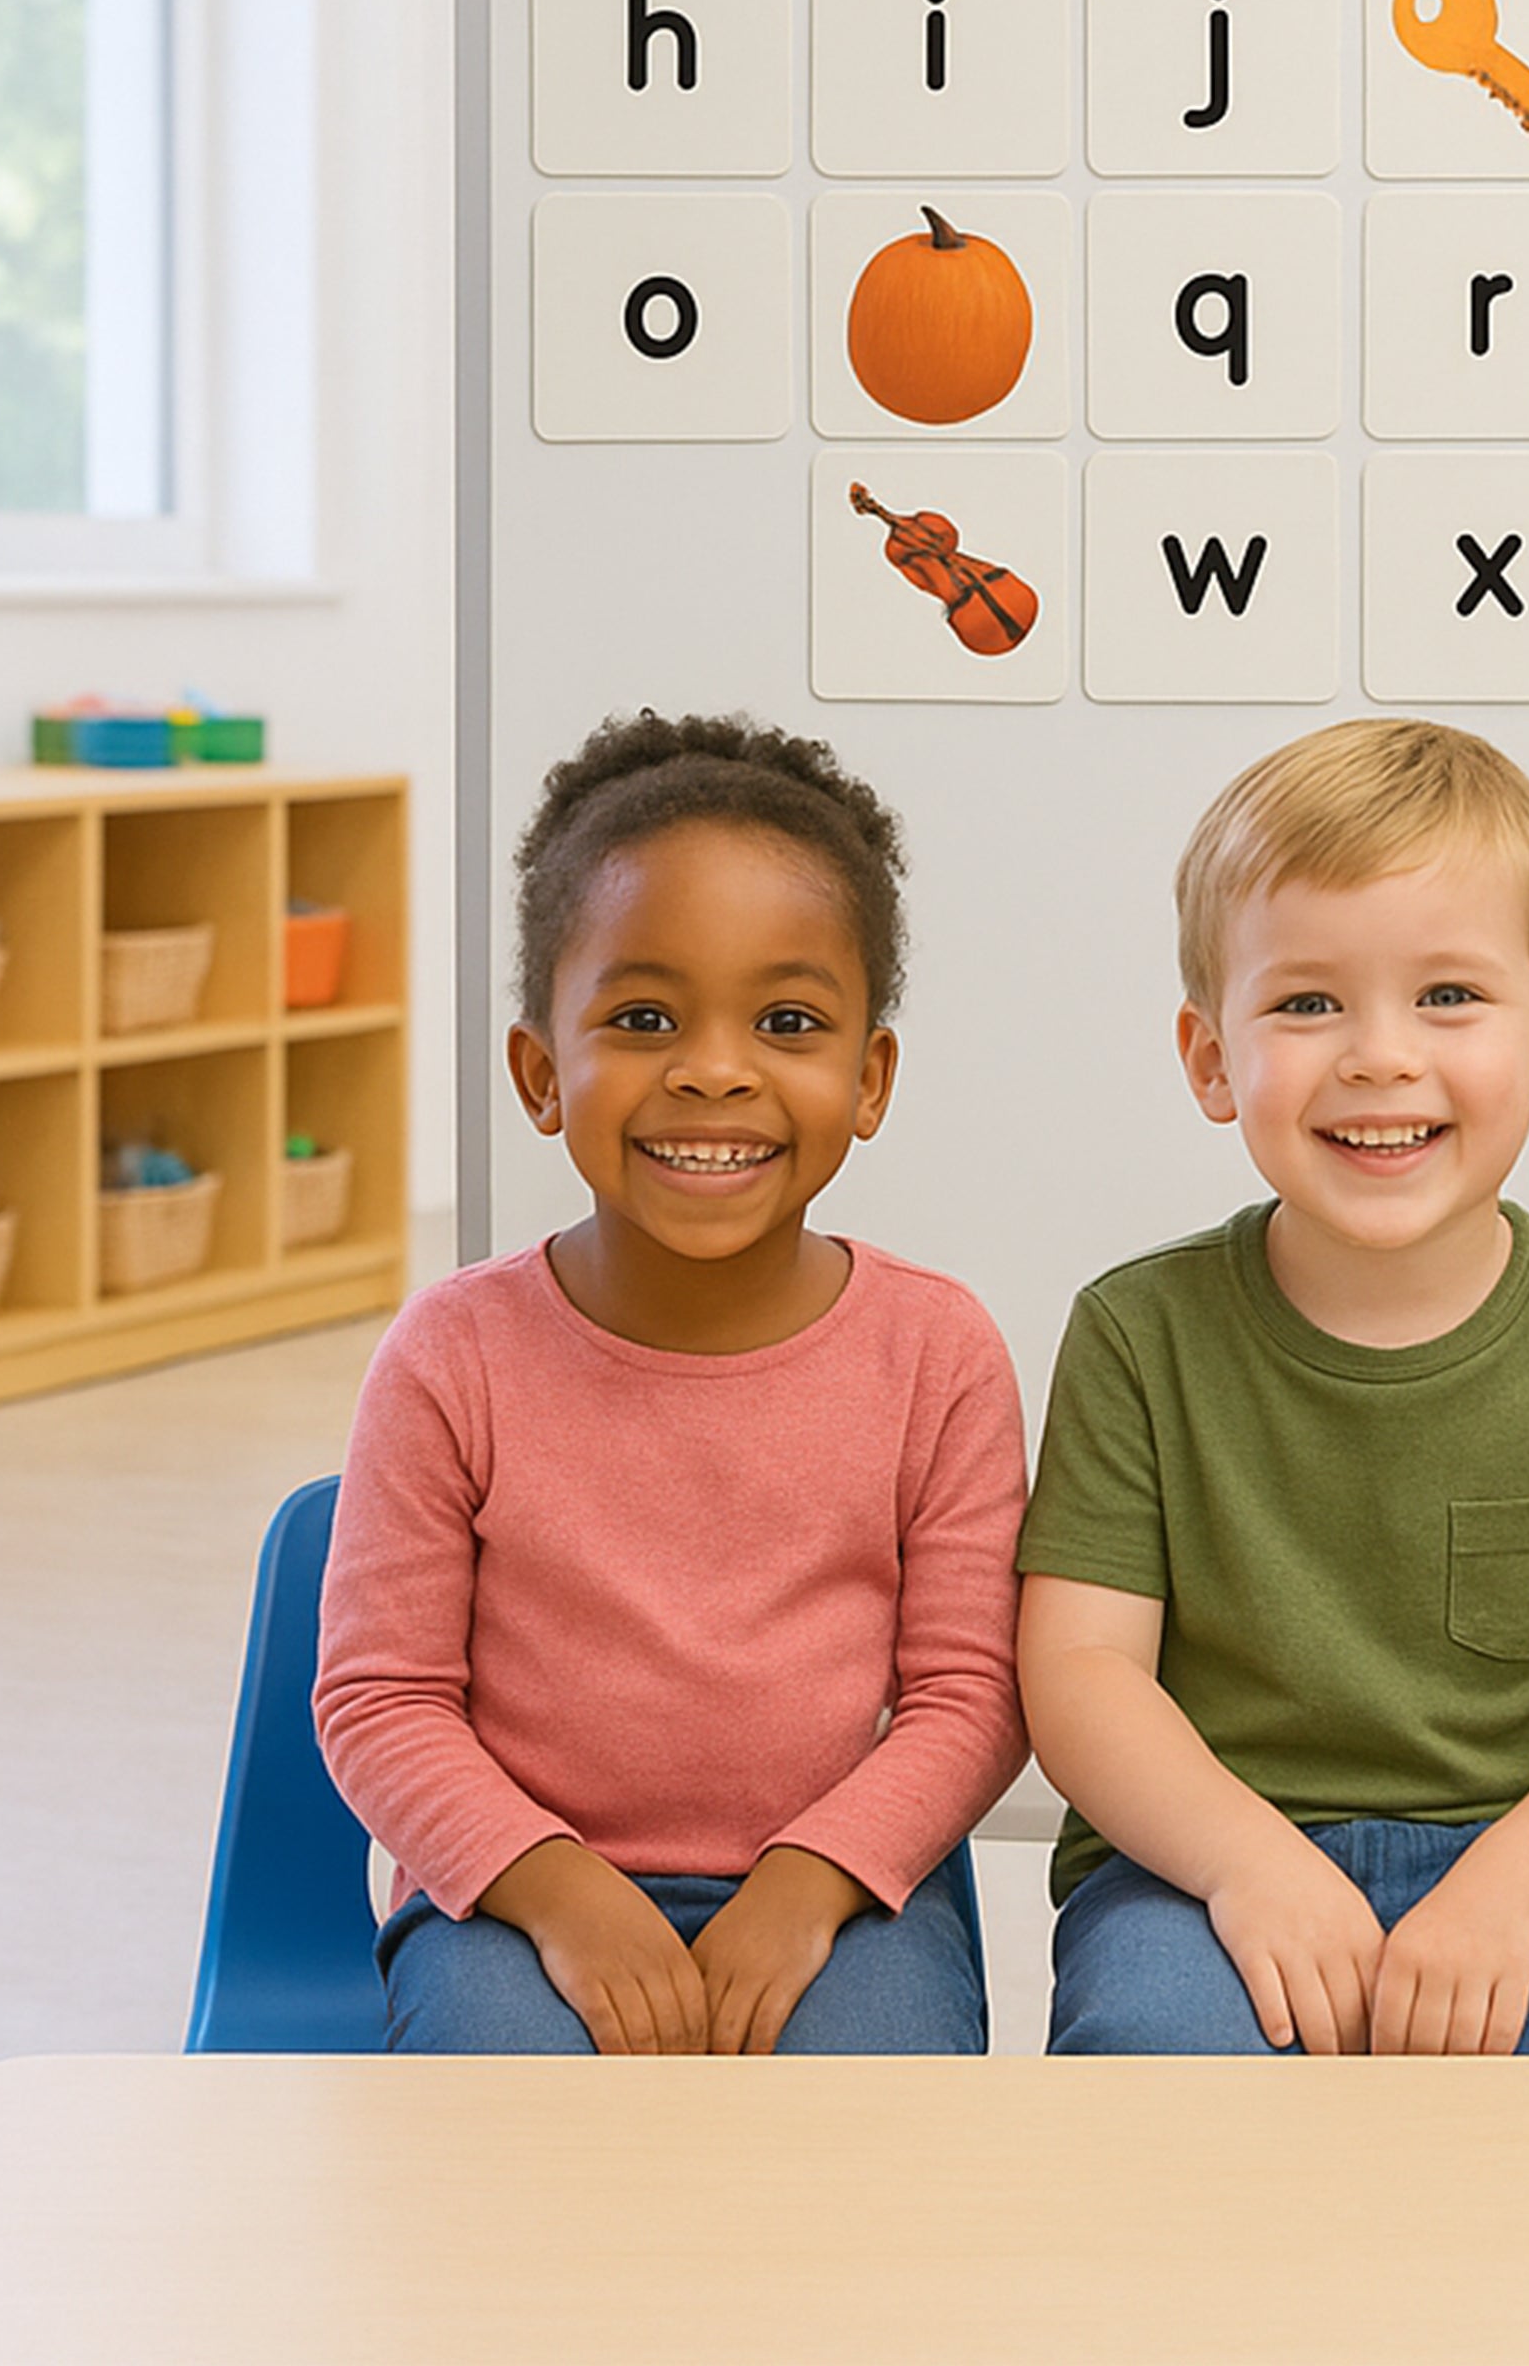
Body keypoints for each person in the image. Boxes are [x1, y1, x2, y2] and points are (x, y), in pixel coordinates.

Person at [316, 711, 1028, 2055]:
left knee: (882, 2154)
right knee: (515, 2138)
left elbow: (972, 1694)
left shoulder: (937, 1353)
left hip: (840, 1898)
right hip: (513, 1901)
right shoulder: (450, 1355)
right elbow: (379, 1699)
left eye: (787, 1020)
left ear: (868, 1076)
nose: (713, 1068)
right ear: (541, 1073)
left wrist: (812, 1882)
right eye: (644, 1017)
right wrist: (557, 1890)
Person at [1016, 718, 1529, 2056]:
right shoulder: (1135, 1332)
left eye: (1448, 997)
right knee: (1155, 2056)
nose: (1381, 1055)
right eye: (1306, 1003)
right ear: (1212, 1057)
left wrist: (1507, 1894)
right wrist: (1248, 1866)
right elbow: (1079, 1672)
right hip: (1200, 1869)